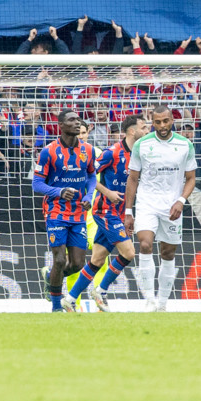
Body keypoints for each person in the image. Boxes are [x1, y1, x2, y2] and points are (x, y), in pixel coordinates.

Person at [124, 103, 197, 311]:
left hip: (172, 206)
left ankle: (162, 304)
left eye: (166, 121)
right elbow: (133, 178)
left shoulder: (185, 145)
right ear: (152, 122)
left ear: (172, 121)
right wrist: (129, 211)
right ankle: (149, 300)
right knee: (145, 245)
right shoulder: (142, 145)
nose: (162, 125)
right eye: (157, 122)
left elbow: (191, 178)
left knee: (167, 253)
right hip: (147, 202)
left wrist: (181, 201)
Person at [68, 114, 146, 310]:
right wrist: (107, 191)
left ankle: (69, 299)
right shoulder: (112, 152)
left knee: (97, 260)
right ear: (131, 131)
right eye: (143, 128)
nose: (147, 131)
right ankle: (101, 290)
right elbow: (88, 175)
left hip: (119, 213)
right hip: (105, 211)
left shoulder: (138, 154)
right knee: (129, 253)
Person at [30, 109, 98, 311]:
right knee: (59, 259)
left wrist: (87, 196)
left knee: (77, 264)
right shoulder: (48, 151)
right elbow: (36, 184)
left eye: (78, 120)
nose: (77, 123)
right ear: (61, 125)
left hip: (78, 212)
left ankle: (50, 279)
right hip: (55, 212)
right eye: (71, 120)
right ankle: (56, 307)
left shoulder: (88, 150)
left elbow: (92, 177)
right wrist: (59, 191)